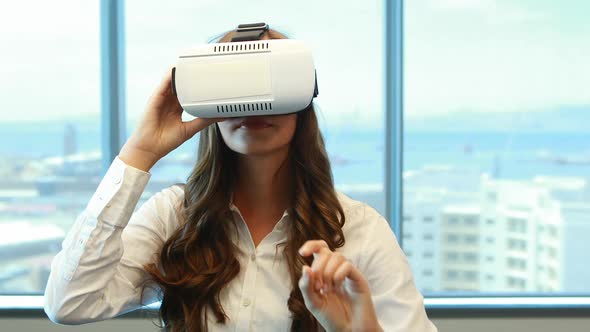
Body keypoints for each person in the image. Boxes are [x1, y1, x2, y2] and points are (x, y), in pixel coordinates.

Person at [44, 27, 438, 332]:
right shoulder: (173, 218)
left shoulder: (359, 229)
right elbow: (70, 304)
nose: (254, 104)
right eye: (235, 87)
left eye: (271, 83)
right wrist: (140, 153)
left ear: (302, 99)